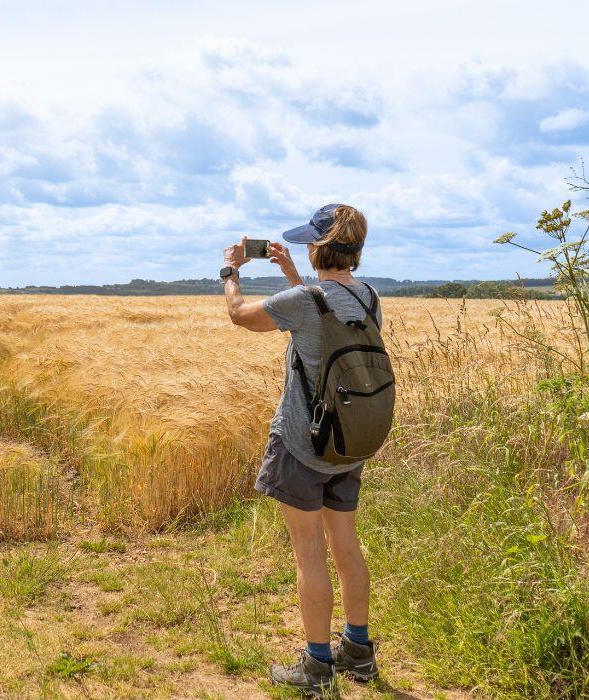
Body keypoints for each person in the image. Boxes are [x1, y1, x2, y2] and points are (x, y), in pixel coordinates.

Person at [218, 203, 380, 695]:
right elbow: (322, 311)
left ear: (319, 246)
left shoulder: (306, 300)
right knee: (345, 543)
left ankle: (315, 668)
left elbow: (240, 316)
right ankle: (358, 651)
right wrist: (292, 272)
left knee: (309, 553)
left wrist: (230, 272)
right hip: (350, 443)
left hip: (302, 444)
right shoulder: (370, 295)